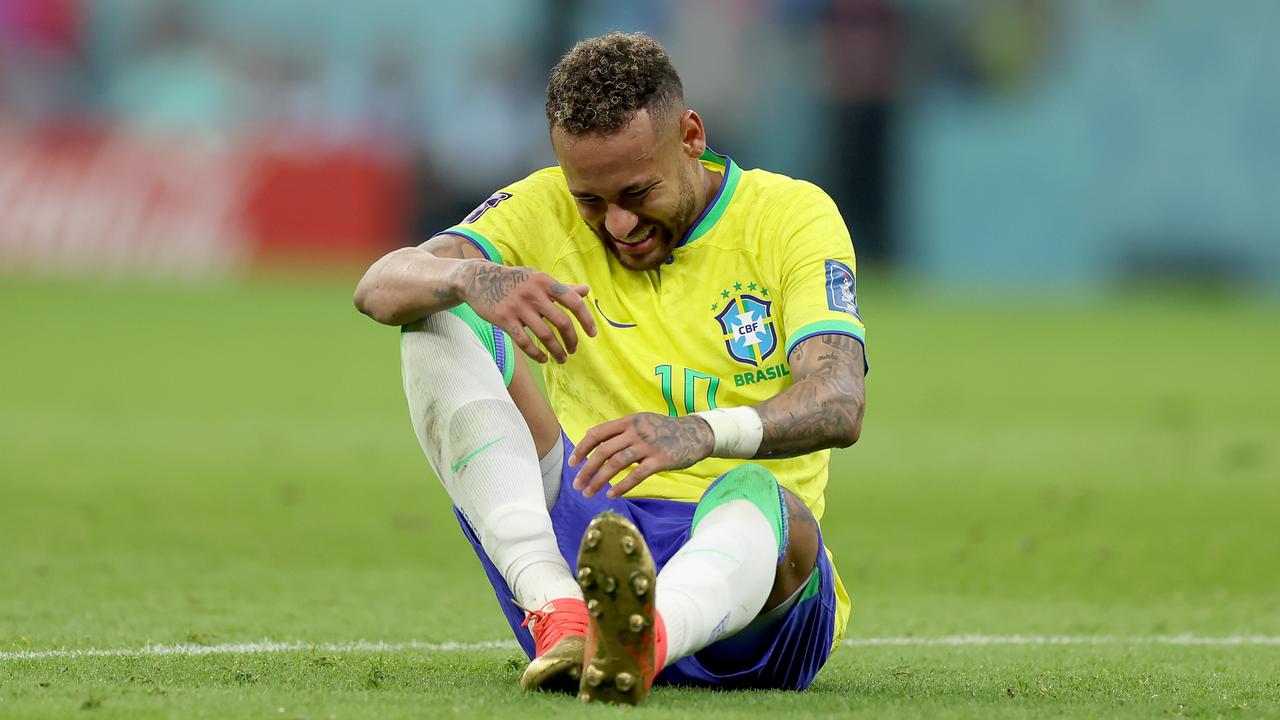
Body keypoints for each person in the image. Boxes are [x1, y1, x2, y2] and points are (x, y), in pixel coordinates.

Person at [354, 32, 867, 705]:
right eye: (590, 200)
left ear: (690, 136)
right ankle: (559, 612)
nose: (618, 224)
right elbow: (378, 286)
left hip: (753, 602)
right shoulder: (541, 208)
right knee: (433, 315)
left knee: (759, 500)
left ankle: (644, 638)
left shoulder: (790, 216)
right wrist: (471, 277)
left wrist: (700, 433)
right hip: (589, 540)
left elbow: (839, 400)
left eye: (636, 191)